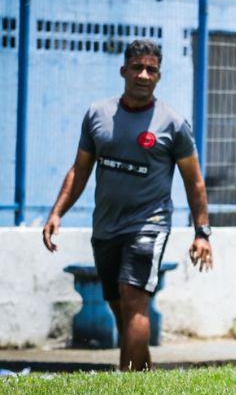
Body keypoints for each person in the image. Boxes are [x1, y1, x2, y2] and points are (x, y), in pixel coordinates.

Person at [41, 39, 214, 371]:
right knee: (120, 306)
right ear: (124, 71)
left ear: (159, 76)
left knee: (134, 299)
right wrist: (56, 212)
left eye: (152, 69)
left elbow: (194, 180)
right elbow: (79, 169)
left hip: (149, 224)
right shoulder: (98, 115)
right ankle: (141, 378)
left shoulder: (173, 123)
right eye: (137, 67)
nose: (144, 75)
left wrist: (201, 233)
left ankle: (127, 382)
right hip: (105, 227)